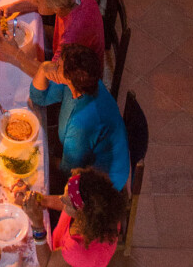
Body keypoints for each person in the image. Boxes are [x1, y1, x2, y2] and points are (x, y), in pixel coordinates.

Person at [28, 44, 130, 190]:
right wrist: (43, 68)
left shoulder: (81, 123)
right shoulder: (80, 83)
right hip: (80, 155)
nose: (54, 65)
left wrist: (40, 158)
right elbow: (39, 97)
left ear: (70, 78)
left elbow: (68, 170)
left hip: (102, 183)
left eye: (58, 66)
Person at [15, 168, 127, 267]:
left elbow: (46, 263)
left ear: (82, 214)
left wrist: (37, 224)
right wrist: (40, 200)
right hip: (61, 242)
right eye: (65, 193)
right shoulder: (100, 211)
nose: (62, 199)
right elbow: (65, 202)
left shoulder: (81, 249)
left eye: (68, 202)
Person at [0, 0, 104, 75]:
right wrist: (12, 8)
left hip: (81, 74)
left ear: (55, 8)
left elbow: (52, 73)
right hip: (64, 48)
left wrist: (16, 53)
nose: (35, 1)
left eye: (38, 2)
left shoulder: (71, 35)